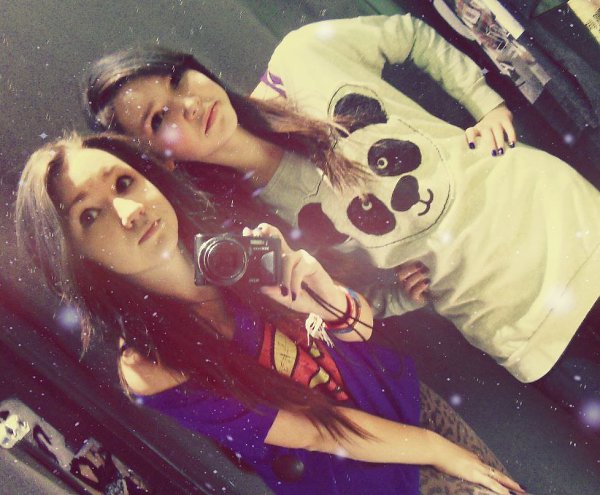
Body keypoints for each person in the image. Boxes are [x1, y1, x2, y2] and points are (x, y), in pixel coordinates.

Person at [82, 14, 600, 414]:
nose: (188, 104)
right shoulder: (248, 233)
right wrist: (399, 296)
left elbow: (410, 35)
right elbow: (341, 302)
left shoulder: (301, 58)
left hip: (565, 222)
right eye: (160, 117)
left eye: (177, 80)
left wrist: (485, 103)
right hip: (514, 323)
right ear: (160, 159)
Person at [15, 133, 527, 495]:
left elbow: (362, 330)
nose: (128, 213)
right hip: (364, 477)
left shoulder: (237, 250)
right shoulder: (151, 365)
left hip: (407, 403)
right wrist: (436, 450)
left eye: (124, 183)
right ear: (75, 258)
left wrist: (321, 295)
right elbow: (316, 431)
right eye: (89, 215)